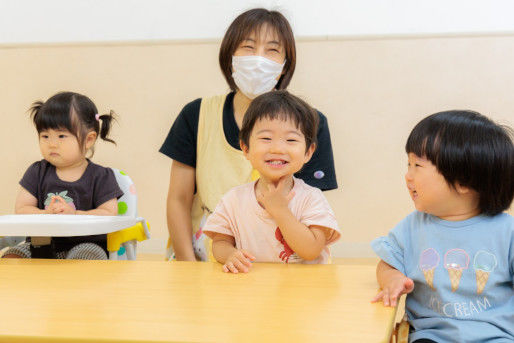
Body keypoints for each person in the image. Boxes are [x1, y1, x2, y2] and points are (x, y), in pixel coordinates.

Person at [160, 8, 337, 261]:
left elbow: (312, 215)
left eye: (272, 50)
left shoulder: (311, 122)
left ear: (286, 64)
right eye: (248, 47)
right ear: (229, 55)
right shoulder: (196, 114)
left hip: (288, 260)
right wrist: (189, 267)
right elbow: (178, 199)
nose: (258, 59)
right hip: (211, 255)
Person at [371, 110, 514, 342]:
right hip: (432, 335)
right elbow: (387, 263)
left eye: (417, 165)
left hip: (496, 336)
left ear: (464, 180)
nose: (408, 176)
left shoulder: (507, 231)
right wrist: (392, 278)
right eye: (408, 164)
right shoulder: (412, 227)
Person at [202, 91, 340, 273]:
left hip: (304, 292)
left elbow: (311, 251)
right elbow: (220, 242)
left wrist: (280, 210)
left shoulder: (311, 198)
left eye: (291, 140)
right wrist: (229, 255)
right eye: (266, 138)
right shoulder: (234, 199)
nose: (277, 148)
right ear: (245, 148)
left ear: (308, 152)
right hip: (254, 290)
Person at [2, 92, 123, 260]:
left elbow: (109, 214)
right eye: (45, 136)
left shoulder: (101, 176)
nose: (51, 143)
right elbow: (22, 209)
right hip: (40, 244)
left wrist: (74, 215)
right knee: (11, 258)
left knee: (88, 259)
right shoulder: (37, 172)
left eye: (61, 136)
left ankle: (70, 285)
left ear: (89, 139)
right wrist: (47, 214)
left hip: (87, 245)